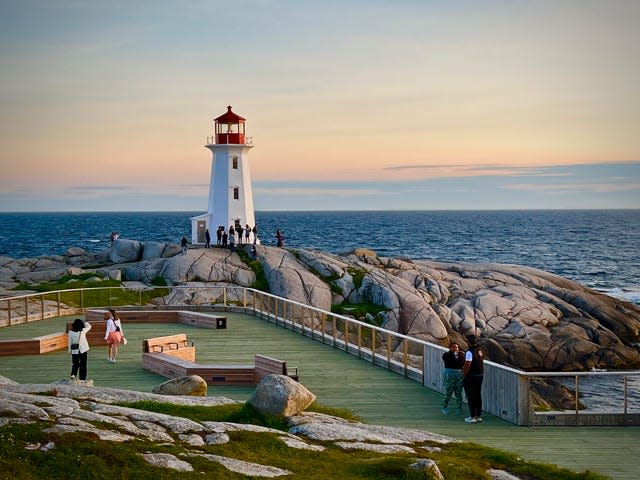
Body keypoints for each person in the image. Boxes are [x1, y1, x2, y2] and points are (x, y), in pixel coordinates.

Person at [462, 334, 485, 423]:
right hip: (480, 375)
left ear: (468, 342)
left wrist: (463, 374)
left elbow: (467, 364)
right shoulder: (480, 350)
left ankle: (472, 416)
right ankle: (478, 416)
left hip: (471, 376)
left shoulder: (469, 352)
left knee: (470, 396)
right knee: (478, 395)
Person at [441, 342, 464, 415]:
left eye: (456, 347)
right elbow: (450, 361)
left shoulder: (461, 355)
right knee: (448, 392)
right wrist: (455, 354)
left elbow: (462, 364)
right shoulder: (446, 355)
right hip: (449, 375)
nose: (455, 348)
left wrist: (460, 354)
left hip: (458, 376)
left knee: (458, 393)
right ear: (450, 348)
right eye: (453, 347)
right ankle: (444, 407)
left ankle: (459, 408)